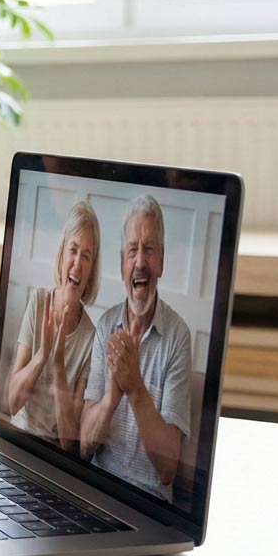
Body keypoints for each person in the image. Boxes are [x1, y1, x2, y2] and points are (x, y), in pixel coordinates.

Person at [79, 194, 193, 502]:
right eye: (132, 250)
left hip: (149, 503)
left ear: (161, 262)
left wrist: (134, 387)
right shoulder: (105, 326)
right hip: (99, 490)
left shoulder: (179, 336)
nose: (140, 262)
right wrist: (112, 396)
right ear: (121, 265)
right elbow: (85, 445)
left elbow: (168, 469)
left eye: (149, 249)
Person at [5, 200, 101, 451]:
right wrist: (42, 356)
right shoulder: (38, 301)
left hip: (53, 455)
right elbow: (13, 403)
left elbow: (70, 441)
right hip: (18, 435)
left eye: (87, 256)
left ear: (92, 270)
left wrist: (58, 365)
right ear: (62, 254)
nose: (78, 264)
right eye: (73, 250)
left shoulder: (91, 338)